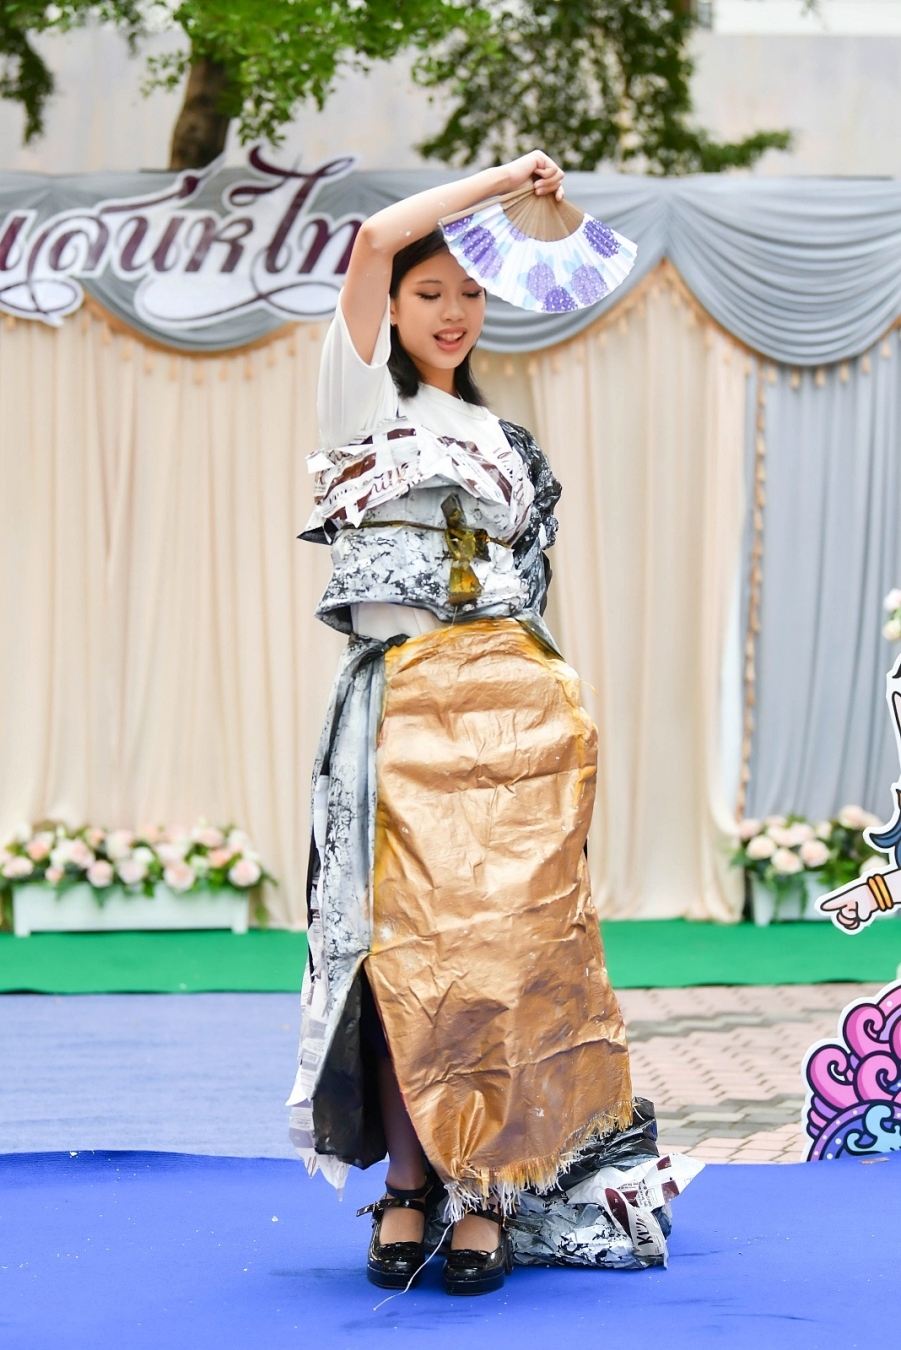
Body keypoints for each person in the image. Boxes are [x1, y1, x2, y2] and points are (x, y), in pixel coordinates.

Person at [287, 152, 637, 1297]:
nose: (451, 312)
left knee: (505, 961)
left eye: (471, 293)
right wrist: (498, 190)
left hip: (516, 713)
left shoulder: (500, 441)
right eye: (430, 292)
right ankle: (407, 1180)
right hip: (403, 711)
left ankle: (485, 1186)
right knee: (399, 959)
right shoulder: (361, 400)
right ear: (390, 306)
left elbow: (532, 595)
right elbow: (373, 236)